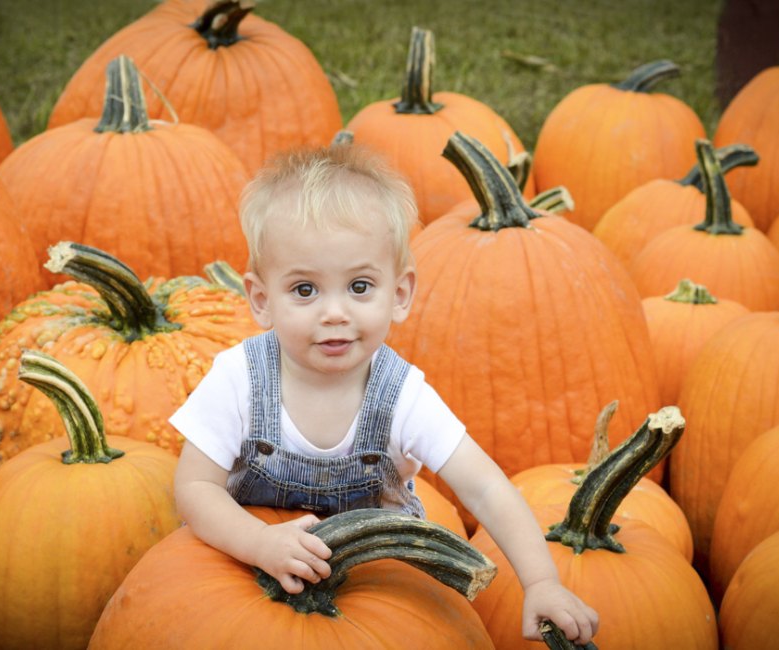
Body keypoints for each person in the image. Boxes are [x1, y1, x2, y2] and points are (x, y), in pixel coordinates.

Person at [171, 143, 599, 644]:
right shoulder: (239, 379)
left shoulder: (402, 397)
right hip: (249, 579)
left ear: (399, 294)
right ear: (262, 301)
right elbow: (193, 488)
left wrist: (542, 582)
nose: (335, 313)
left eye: (359, 287)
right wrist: (258, 543)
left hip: (375, 596)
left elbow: (485, 486)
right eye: (305, 290)